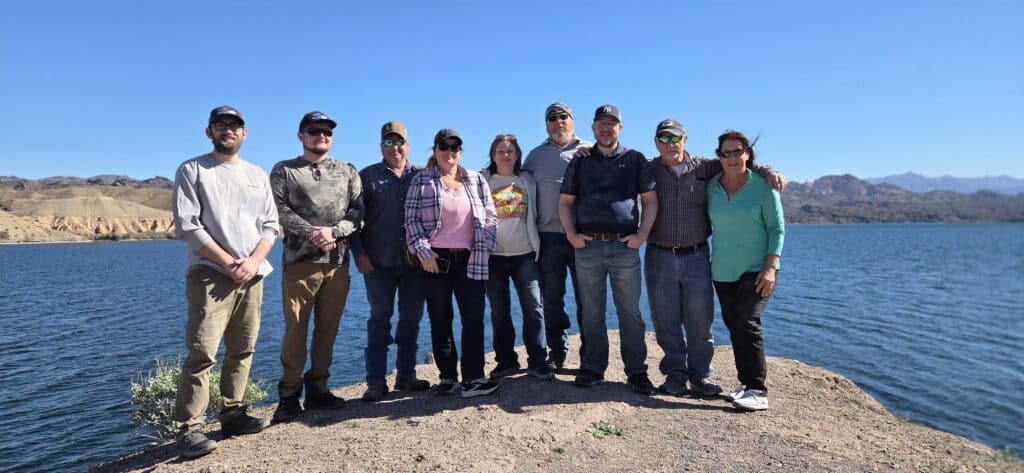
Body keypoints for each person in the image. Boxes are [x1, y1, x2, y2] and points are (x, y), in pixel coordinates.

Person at [644, 119, 786, 397]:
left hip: (696, 255)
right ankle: (674, 375)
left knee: (700, 321)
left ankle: (701, 376)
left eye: (675, 139)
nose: (670, 144)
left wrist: (770, 171)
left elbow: (738, 163)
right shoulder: (648, 170)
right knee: (666, 321)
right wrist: (582, 149)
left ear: (685, 139)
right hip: (658, 255)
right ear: (656, 142)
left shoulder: (705, 167)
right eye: (663, 139)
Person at [170, 106, 279, 458]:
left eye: (234, 126)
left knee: (243, 347)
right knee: (203, 351)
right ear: (209, 132)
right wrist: (229, 261)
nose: (228, 131)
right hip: (210, 273)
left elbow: (270, 225)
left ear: (244, 134)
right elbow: (188, 225)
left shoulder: (256, 175)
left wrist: (253, 261)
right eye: (221, 126)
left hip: (251, 273)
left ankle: (233, 413)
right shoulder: (193, 170)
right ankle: (189, 429)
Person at [268, 111, 362, 421]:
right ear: (301, 136)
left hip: (336, 265)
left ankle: (319, 389)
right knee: (295, 331)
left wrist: (334, 232)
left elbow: (357, 212)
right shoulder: (285, 171)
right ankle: (289, 395)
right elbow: (279, 211)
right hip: (299, 264)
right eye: (314, 131)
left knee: (328, 330)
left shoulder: (347, 171)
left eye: (326, 132)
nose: (321, 136)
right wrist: (313, 232)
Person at [558, 104, 657, 394]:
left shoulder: (635, 159)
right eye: (601, 123)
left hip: (625, 247)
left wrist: (642, 235)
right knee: (591, 311)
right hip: (587, 246)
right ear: (592, 128)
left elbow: (649, 200)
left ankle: (637, 371)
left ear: (620, 128)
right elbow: (565, 203)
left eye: (611, 123)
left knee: (630, 312)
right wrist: (571, 234)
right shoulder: (580, 161)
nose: (605, 128)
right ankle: (593, 367)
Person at [405, 129, 499, 397]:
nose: (450, 152)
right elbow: (410, 220)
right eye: (444, 147)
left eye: (455, 148)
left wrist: (487, 244)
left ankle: (473, 378)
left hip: (471, 258)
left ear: (461, 151)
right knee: (440, 319)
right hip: (436, 260)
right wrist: (424, 253)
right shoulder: (421, 180)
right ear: (435, 151)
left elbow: (491, 216)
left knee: (473, 319)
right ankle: (448, 378)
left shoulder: (475, 179)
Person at [350, 121, 432, 403]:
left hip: (414, 264)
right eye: (388, 143)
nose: (394, 148)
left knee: (410, 321)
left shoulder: (422, 175)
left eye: (399, 142)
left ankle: (406, 375)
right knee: (379, 321)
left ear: (407, 146)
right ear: (381, 146)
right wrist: (358, 254)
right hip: (377, 264)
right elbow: (353, 221)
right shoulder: (367, 177)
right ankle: (375, 382)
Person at [707, 129, 785, 411]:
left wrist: (770, 268)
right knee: (735, 326)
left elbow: (777, 229)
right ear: (719, 157)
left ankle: (757, 389)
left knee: (747, 323)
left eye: (738, 151)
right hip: (723, 270)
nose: (732, 157)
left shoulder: (763, 187)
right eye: (726, 153)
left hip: (758, 269)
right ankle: (745, 383)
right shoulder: (711, 186)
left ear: (748, 154)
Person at [521, 102, 593, 371]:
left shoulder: (589, 151)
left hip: (584, 237)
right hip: (548, 237)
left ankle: (590, 356)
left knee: (588, 300)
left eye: (563, 117)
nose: (558, 122)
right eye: (552, 118)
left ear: (573, 120)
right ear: (546, 124)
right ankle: (558, 352)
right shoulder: (535, 156)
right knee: (552, 299)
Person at [480, 134, 552, 381]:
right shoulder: (482, 181)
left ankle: (538, 360)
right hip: (494, 256)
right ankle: (506, 361)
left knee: (534, 308)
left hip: (525, 255)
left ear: (517, 154)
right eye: (500, 151)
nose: (505, 155)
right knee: (500, 312)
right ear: (493, 155)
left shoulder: (527, 179)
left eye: (510, 151)